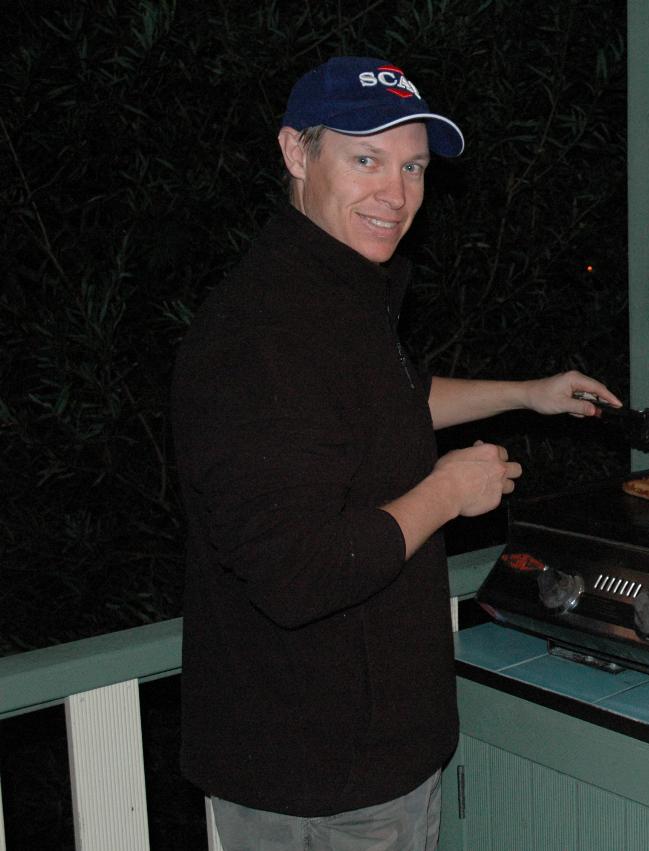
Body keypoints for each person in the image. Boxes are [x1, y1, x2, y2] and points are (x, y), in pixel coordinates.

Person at [170, 56, 621, 850]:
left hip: (374, 760)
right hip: (316, 777)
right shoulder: (259, 335)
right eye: (366, 159)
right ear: (296, 153)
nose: (397, 192)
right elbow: (297, 573)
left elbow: (394, 401)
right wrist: (448, 490)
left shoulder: (337, 293)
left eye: (412, 166)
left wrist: (529, 391)